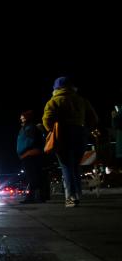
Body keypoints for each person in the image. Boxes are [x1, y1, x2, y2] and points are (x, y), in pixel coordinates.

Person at [42, 76, 99, 207]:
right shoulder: (82, 100)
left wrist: (53, 129)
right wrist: (85, 129)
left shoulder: (53, 101)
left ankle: (71, 197)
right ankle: (78, 193)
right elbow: (94, 118)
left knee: (66, 166)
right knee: (75, 165)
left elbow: (47, 120)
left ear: (56, 88)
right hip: (80, 134)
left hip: (63, 135)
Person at [16, 111, 45, 204]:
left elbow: (34, 141)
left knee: (32, 176)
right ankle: (39, 197)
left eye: (23, 117)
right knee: (33, 176)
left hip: (29, 154)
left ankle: (32, 197)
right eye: (21, 117)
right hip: (26, 155)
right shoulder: (26, 128)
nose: (21, 119)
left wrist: (28, 152)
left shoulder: (31, 127)